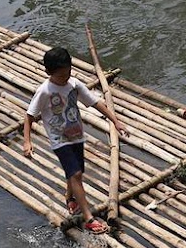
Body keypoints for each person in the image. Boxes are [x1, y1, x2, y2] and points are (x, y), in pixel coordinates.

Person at [23, 46, 127, 233]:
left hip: (76, 136)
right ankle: (88, 218)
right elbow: (29, 116)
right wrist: (27, 141)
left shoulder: (74, 84)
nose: (66, 78)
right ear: (48, 72)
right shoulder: (44, 91)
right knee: (76, 174)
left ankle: (70, 198)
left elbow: (97, 103)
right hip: (59, 140)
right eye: (62, 76)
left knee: (76, 173)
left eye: (68, 72)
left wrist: (116, 122)